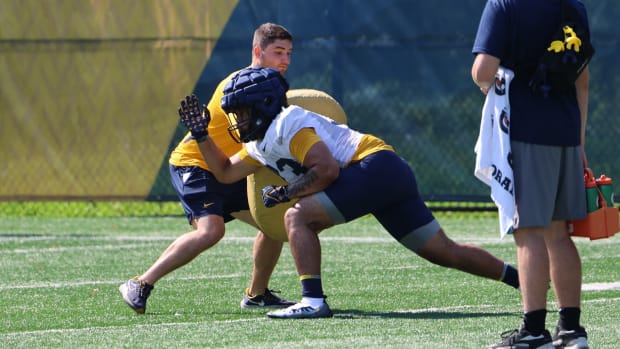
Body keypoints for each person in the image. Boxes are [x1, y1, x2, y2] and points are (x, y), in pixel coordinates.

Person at [177, 66, 521, 320]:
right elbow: (224, 173)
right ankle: (522, 278)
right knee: (443, 251)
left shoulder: (287, 124)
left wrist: (287, 194)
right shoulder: (261, 141)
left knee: (297, 216)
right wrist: (201, 135)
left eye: (242, 111)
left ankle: (312, 300)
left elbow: (326, 170)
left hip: (373, 167)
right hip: (386, 172)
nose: (237, 120)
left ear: (264, 104)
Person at [119, 23, 296, 314]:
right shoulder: (240, 85)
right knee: (211, 231)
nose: (285, 60)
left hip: (230, 167)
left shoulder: (271, 88)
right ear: (257, 51)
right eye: (278, 52)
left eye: (288, 53)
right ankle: (140, 283)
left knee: (274, 222)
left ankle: (257, 293)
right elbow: (251, 139)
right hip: (196, 162)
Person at [471, 1, 592, 348]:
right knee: (559, 232)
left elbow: (483, 72)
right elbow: (581, 78)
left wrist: (490, 80)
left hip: (524, 130)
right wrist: (579, 142)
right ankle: (571, 329)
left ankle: (534, 330)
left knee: (528, 231)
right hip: (567, 130)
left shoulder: (505, 3)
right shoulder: (575, 5)